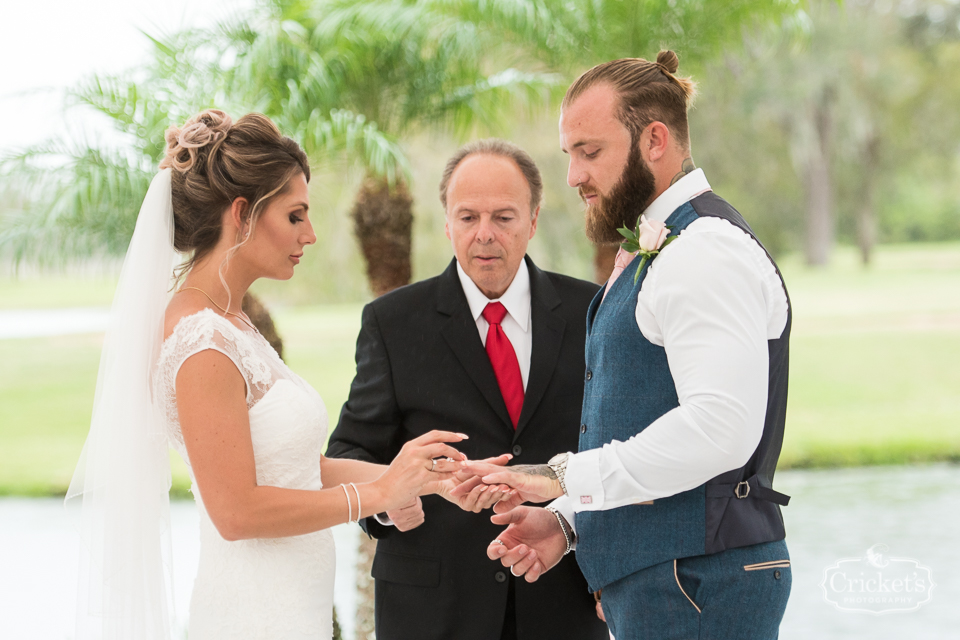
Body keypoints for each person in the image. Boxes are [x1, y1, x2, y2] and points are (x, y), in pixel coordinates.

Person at [67, 109, 474, 640]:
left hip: (292, 612)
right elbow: (236, 511)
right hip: (251, 619)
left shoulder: (232, 325)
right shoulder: (201, 342)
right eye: (295, 215)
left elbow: (299, 469)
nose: (309, 233)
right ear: (242, 213)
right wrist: (376, 497)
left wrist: (420, 478)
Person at [464, 52, 794, 639]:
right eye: (570, 155)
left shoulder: (703, 251)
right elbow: (649, 422)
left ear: (656, 140)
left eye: (590, 152)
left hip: (698, 584)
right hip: (674, 585)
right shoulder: (665, 247)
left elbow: (720, 427)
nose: (573, 176)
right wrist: (568, 524)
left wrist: (564, 477)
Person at [326, 139, 608, 640]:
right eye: (468, 217)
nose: (485, 235)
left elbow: (618, 451)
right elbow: (348, 450)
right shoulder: (392, 323)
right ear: (447, 222)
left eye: (503, 217)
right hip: (431, 610)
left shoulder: (593, 311)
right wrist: (390, 498)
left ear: (534, 219)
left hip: (562, 599)